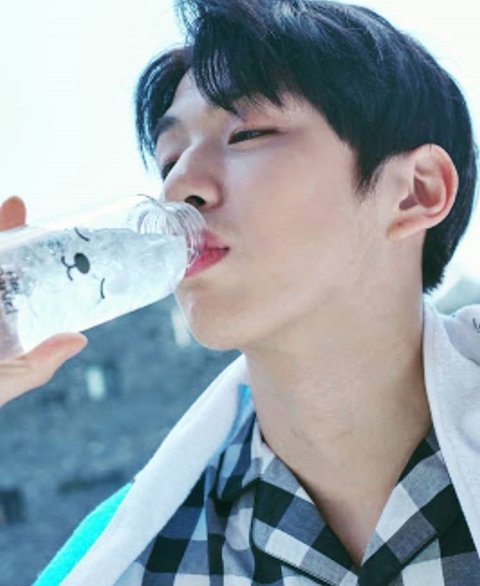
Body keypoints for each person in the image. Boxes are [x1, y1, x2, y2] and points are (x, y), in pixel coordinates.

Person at [3, 0, 480, 584]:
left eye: (248, 133)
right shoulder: (116, 558)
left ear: (415, 192)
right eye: (169, 160)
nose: (179, 187)